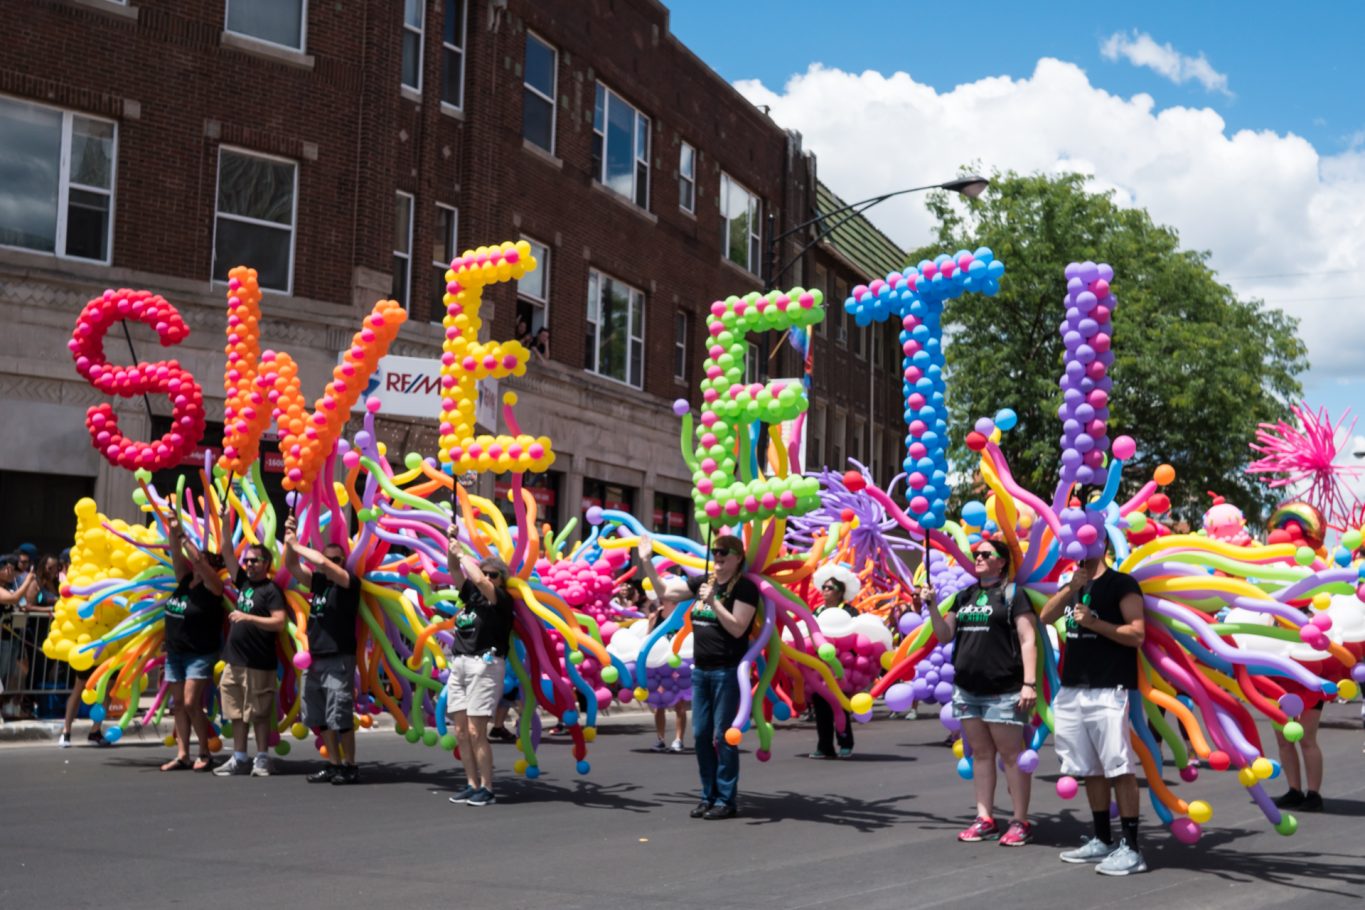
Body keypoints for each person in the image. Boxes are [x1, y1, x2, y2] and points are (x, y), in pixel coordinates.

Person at [920, 538, 1038, 846]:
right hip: (967, 689)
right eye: (976, 554)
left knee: (1011, 756)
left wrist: (1029, 683)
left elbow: (1028, 640)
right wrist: (932, 606)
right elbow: (945, 635)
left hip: (1004, 689)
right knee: (982, 755)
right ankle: (984, 817)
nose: (979, 557)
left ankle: (1019, 821)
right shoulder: (965, 596)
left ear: (1002, 562)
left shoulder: (1013, 595)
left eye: (987, 554)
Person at [1039, 543, 1148, 875]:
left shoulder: (1122, 583)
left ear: (1100, 543)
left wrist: (1095, 623)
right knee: (1089, 769)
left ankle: (1132, 849)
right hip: (1073, 689)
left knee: (1119, 767)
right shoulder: (1075, 582)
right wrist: (1071, 588)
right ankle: (1103, 839)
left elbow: (1137, 634)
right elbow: (1045, 616)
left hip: (1108, 687)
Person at [283, 516, 363, 784]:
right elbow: (292, 565)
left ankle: (349, 766)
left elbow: (322, 563)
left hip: (339, 656)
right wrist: (289, 540)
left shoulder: (349, 583)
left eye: (336, 560)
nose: (331, 564)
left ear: (343, 563)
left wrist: (298, 545)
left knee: (339, 714)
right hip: (315, 657)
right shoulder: (318, 584)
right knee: (320, 716)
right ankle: (333, 763)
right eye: (330, 559)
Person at [686, 534, 758, 820]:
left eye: (724, 552)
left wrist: (714, 602)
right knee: (701, 735)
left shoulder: (745, 588)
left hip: (727, 671)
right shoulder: (706, 582)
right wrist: (645, 561)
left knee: (722, 737)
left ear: (738, 557)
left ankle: (726, 800)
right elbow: (665, 591)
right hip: (700, 671)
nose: (717, 556)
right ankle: (708, 796)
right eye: (715, 551)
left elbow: (739, 628)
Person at [445, 531, 515, 806]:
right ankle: (472, 784)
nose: (487, 577)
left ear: (500, 580)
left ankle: (487, 787)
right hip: (460, 663)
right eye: (486, 572)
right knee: (461, 732)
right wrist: (452, 544)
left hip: (485, 665)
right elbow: (453, 568)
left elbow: (479, 580)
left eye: (493, 574)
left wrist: (463, 554)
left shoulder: (502, 601)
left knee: (476, 731)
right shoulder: (472, 598)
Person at [158, 516, 225, 770]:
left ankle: (205, 752)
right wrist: (173, 532)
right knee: (178, 706)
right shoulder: (185, 580)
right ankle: (183, 754)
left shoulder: (213, 586)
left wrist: (183, 534)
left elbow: (196, 558)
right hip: (175, 652)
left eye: (203, 561)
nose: (196, 561)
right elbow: (177, 553)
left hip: (199, 653)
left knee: (190, 703)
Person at [215, 540, 286, 778]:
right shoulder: (243, 583)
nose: (248, 565)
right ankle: (240, 757)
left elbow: (279, 622)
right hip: (234, 660)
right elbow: (226, 551)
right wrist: (225, 518)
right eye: (246, 560)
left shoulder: (271, 590)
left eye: (254, 560)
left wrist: (248, 618)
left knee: (259, 713)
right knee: (235, 712)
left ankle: (263, 758)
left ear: (266, 564)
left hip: (259, 661)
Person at [636, 534, 690, 753]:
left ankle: (678, 739)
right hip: (659, 664)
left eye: (669, 597)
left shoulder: (682, 615)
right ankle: (660, 738)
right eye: (664, 597)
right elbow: (648, 639)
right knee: (658, 704)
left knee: (679, 705)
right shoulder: (654, 616)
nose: (665, 599)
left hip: (677, 663)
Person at [808, 564, 861, 760]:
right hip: (820, 665)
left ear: (840, 592)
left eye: (830, 588)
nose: (825, 591)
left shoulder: (850, 611)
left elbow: (857, 636)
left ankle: (845, 743)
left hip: (843, 666)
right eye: (824, 587)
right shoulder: (817, 610)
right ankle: (824, 746)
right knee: (821, 706)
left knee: (840, 705)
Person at [1, 554, 38, 719]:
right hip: (1, 640)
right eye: (5, 568)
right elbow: (14, 598)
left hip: (11, 638)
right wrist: (28, 580)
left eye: (10, 568)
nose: (9, 571)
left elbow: (19, 602)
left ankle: (7, 709)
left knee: (8, 677)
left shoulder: (9, 586)